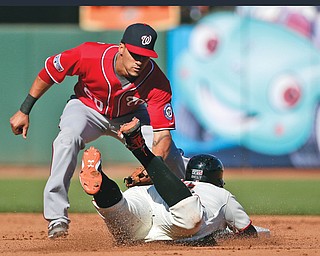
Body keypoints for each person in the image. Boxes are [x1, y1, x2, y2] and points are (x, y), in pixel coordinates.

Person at [9, 23, 186, 239]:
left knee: (172, 157)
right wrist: (24, 109)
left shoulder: (157, 82)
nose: (140, 61)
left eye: (145, 56)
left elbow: (163, 136)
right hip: (86, 108)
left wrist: (155, 164)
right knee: (66, 139)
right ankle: (57, 218)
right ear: (121, 48)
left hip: (131, 116)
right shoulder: (90, 55)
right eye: (135, 54)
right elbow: (50, 71)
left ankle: (191, 204)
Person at [79, 117, 269, 245]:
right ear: (217, 178)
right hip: (178, 220)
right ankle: (140, 149)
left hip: (148, 198)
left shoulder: (177, 182)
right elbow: (248, 234)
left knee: (118, 211)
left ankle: (102, 181)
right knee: (191, 218)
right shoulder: (222, 194)